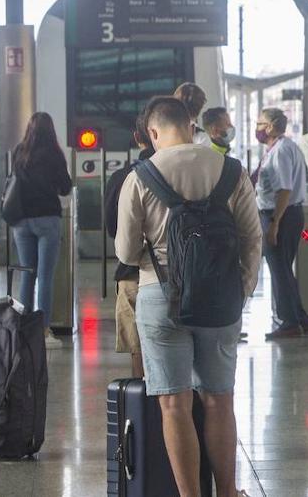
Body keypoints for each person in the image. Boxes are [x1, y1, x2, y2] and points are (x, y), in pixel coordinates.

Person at [115, 96, 261, 497]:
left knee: (174, 405)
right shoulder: (231, 170)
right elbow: (252, 239)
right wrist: (241, 291)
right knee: (219, 401)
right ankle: (229, 493)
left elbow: (126, 254)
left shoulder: (140, 177)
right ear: (192, 125)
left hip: (160, 297)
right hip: (221, 299)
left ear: (153, 132)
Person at [7, 112, 73, 347]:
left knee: (27, 275)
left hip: (21, 221)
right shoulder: (54, 154)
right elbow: (65, 188)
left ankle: (23, 328)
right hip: (47, 220)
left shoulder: (19, 152)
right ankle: (43, 331)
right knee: (45, 276)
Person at [254, 107, 308, 340]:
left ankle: (289, 322)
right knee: (284, 270)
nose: (257, 128)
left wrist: (275, 223)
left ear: (269, 127)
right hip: (285, 214)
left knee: (280, 271)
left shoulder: (281, 151)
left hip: (281, 215)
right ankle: (300, 317)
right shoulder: (283, 147)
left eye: (259, 124)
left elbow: (285, 188)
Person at [104, 116, 155, 379]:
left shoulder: (123, 177)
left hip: (132, 273)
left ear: (137, 138)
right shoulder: (190, 175)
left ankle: (144, 412)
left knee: (139, 350)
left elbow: (113, 229)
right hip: (180, 276)